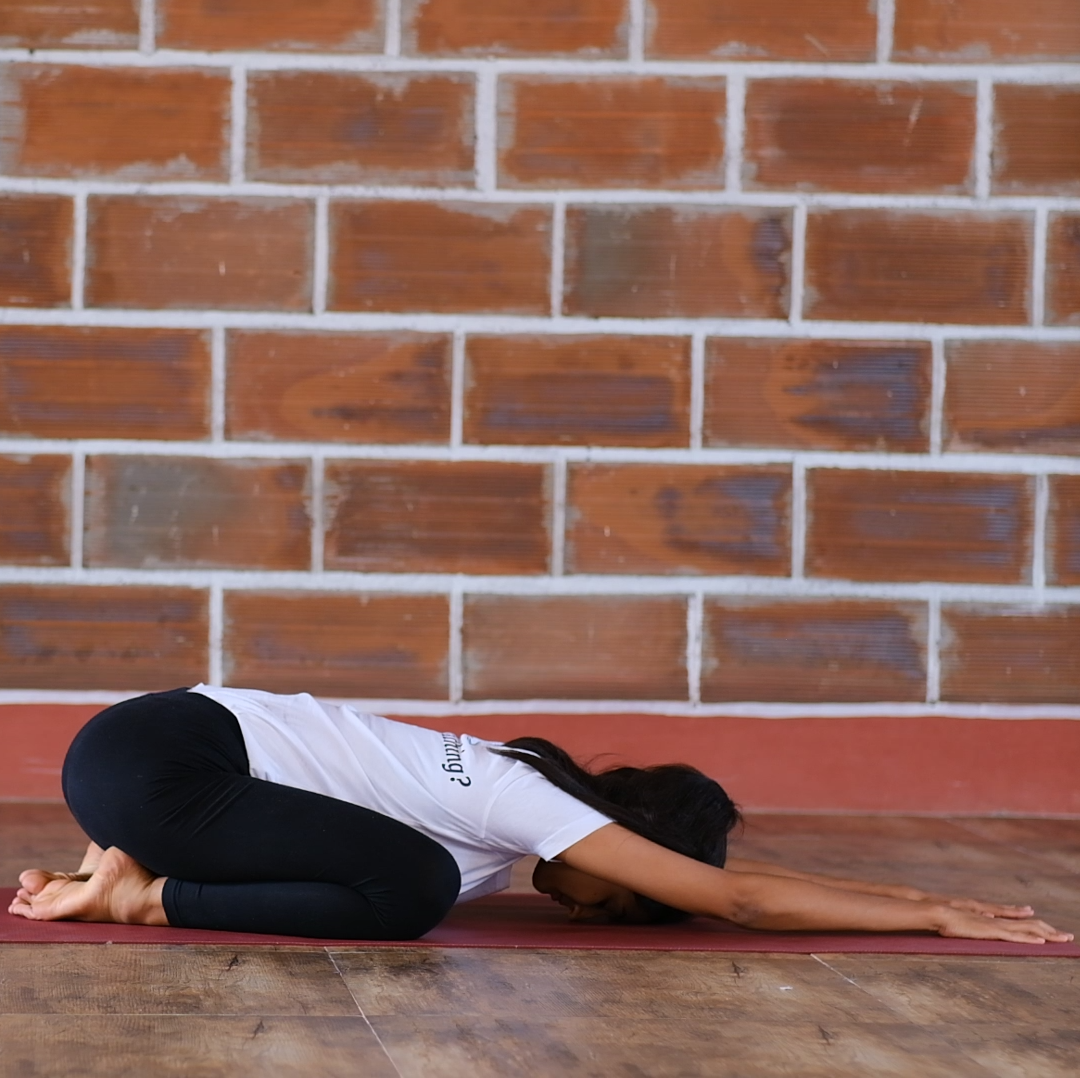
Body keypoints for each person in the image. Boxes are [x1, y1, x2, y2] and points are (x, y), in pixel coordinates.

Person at [9, 685, 1072, 946]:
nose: (597, 913)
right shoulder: (531, 800)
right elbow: (741, 896)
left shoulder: (496, 824)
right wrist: (933, 913)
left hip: (139, 759)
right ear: (636, 847)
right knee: (409, 892)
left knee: (409, 877)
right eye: (629, 901)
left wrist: (914, 892)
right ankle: (144, 894)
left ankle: (119, 869)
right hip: (157, 766)